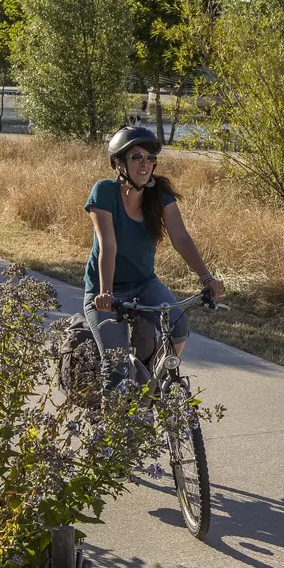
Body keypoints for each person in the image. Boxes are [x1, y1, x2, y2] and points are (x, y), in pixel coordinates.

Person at [85, 126, 225, 388]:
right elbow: (108, 244)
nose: (145, 164)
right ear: (118, 162)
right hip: (105, 290)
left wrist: (206, 277)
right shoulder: (104, 192)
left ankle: (153, 383)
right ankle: (108, 423)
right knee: (116, 370)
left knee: (179, 328)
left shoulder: (159, 196)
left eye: (150, 159)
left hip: (144, 285)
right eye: (137, 157)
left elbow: (181, 238)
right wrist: (105, 292)